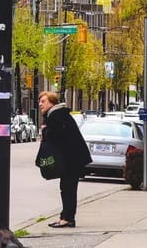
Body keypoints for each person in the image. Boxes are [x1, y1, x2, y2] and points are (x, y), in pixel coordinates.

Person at [38, 90, 92, 229]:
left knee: (68, 188)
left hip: (71, 160)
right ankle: (66, 216)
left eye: (43, 101)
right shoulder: (58, 114)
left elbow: (56, 136)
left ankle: (67, 218)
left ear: (52, 102)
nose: (40, 104)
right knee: (67, 188)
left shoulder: (56, 115)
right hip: (72, 159)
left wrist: (45, 130)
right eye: (40, 101)